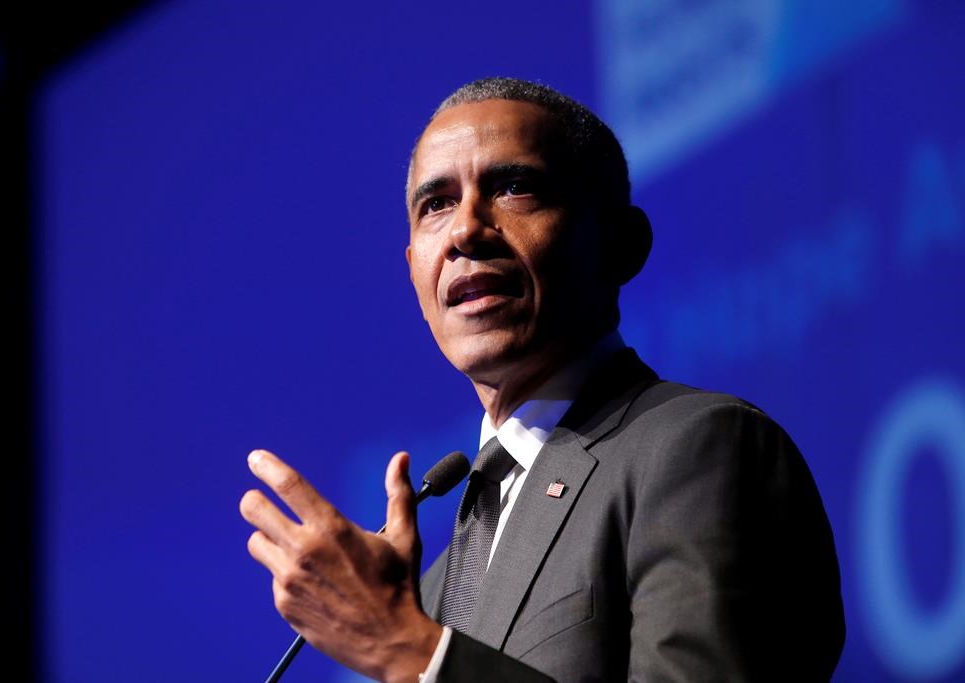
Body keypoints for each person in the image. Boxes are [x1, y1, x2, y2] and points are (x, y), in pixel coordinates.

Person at [240, 77, 845, 682]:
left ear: (621, 244)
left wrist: (409, 649)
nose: (465, 232)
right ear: (413, 273)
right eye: (436, 204)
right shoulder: (426, 588)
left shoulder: (699, 449)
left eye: (514, 188)